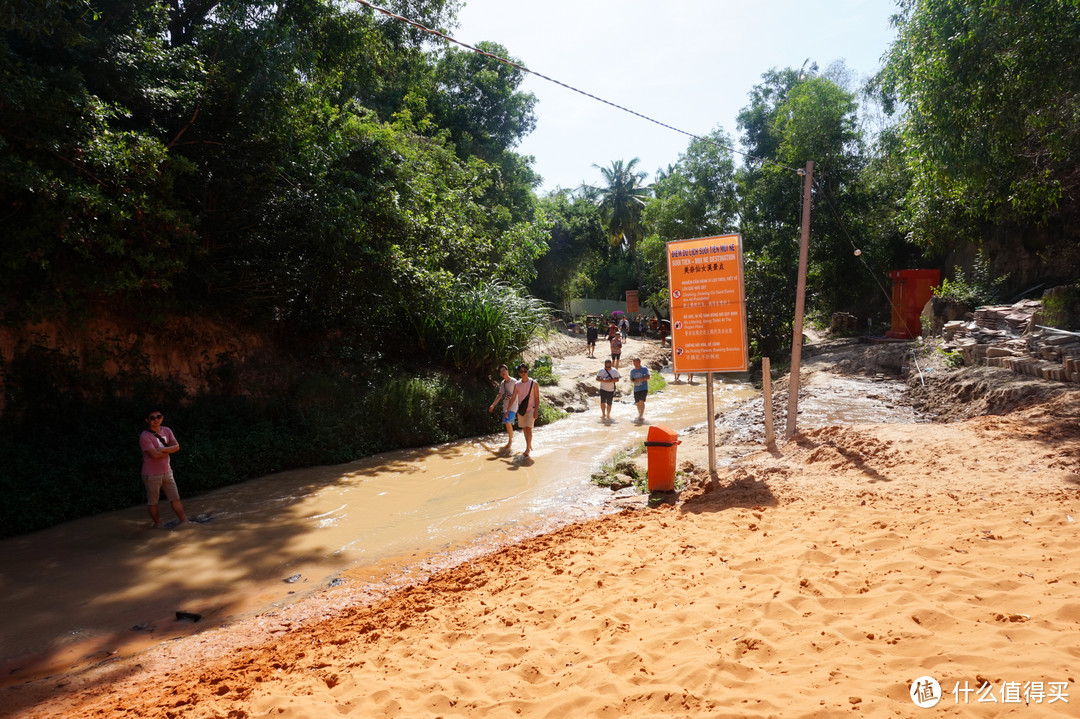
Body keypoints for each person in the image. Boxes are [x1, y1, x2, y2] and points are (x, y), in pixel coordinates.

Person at [140, 409, 188, 528]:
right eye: (152, 418)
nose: (156, 420)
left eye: (158, 416)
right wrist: (169, 450)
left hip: (167, 471)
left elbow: (176, 447)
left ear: (162, 417)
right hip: (151, 474)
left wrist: (160, 449)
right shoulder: (145, 436)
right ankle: (158, 525)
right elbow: (154, 455)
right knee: (153, 502)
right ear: (147, 420)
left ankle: (184, 522)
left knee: (175, 498)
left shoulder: (167, 430)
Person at [511, 363, 540, 456]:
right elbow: (513, 397)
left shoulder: (534, 383)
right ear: (519, 373)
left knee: (529, 428)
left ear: (527, 371)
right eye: (521, 371)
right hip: (522, 410)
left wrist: (536, 410)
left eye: (525, 371)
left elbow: (537, 398)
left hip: (531, 409)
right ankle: (529, 445)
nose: (523, 373)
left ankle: (527, 449)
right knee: (524, 429)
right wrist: (508, 409)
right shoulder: (517, 384)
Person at [488, 364, 518, 451]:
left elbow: (518, 392)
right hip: (505, 405)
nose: (503, 372)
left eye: (504, 370)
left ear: (507, 371)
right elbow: (500, 395)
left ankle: (510, 441)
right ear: (500, 374)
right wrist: (493, 405)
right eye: (501, 372)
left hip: (513, 405)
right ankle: (511, 439)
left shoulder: (514, 381)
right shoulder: (503, 383)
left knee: (508, 422)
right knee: (507, 424)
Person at [629, 357, 651, 422]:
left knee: (642, 401)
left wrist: (640, 379)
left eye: (636, 363)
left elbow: (648, 377)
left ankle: (641, 415)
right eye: (634, 363)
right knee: (638, 403)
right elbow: (631, 379)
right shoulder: (632, 371)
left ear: (639, 362)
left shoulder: (644, 369)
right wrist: (633, 380)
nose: (635, 364)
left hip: (644, 388)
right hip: (636, 389)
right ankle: (639, 414)